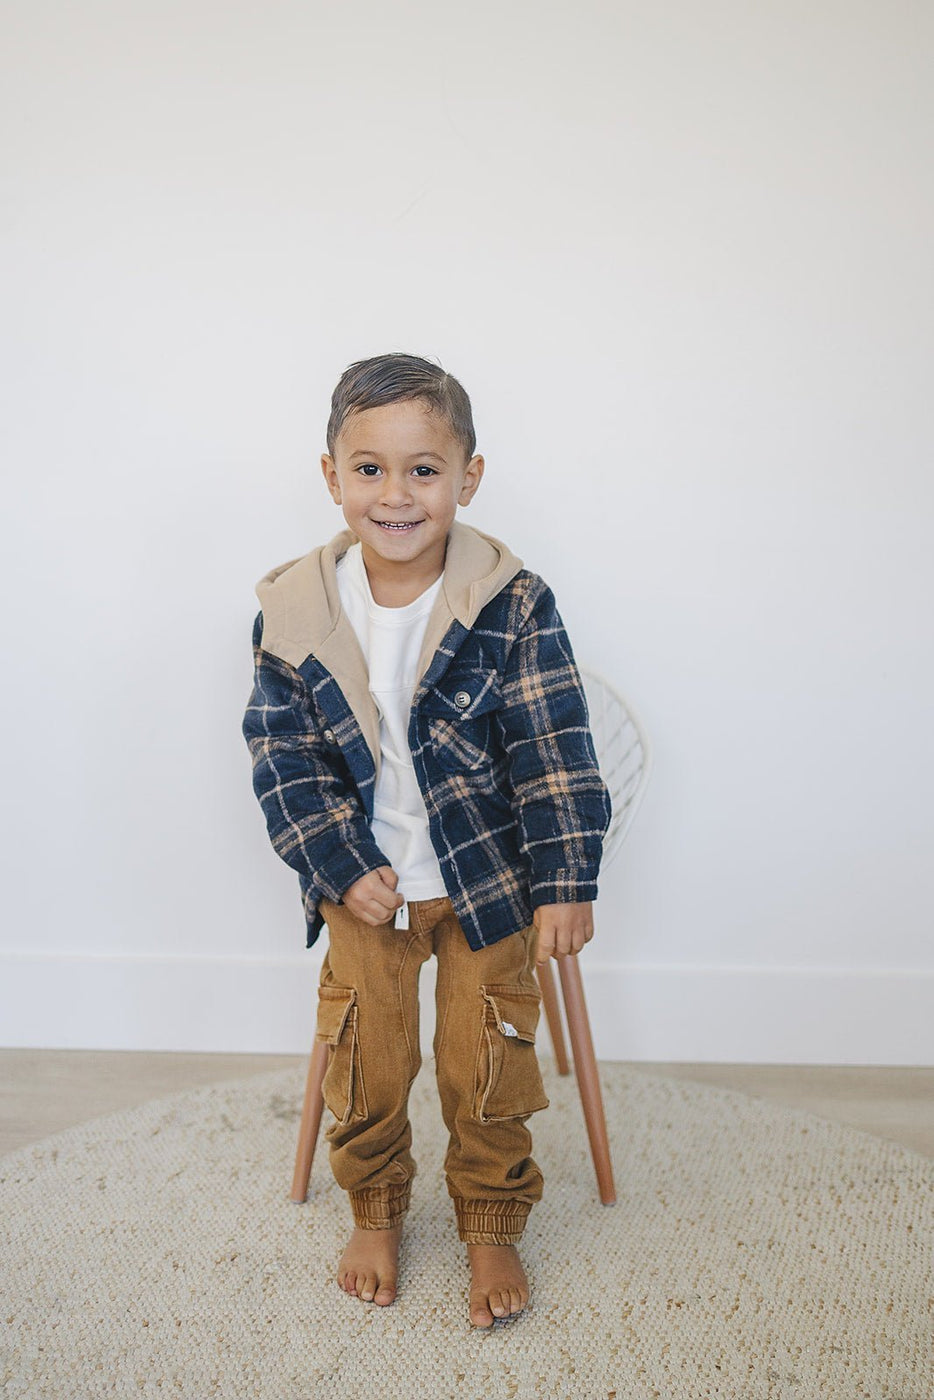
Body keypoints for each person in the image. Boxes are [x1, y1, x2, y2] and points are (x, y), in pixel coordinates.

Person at [241, 352, 611, 1328]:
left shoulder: (512, 601)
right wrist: (339, 863)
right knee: (369, 1051)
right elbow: (283, 758)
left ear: (468, 476)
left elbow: (553, 747)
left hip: (487, 878)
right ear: (331, 476)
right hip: (367, 883)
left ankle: (489, 1215)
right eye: (368, 469)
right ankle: (375, 1202)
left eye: (423, 470)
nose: (395, 494)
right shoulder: (296, 608)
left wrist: (566, 878)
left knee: (480, 1053)